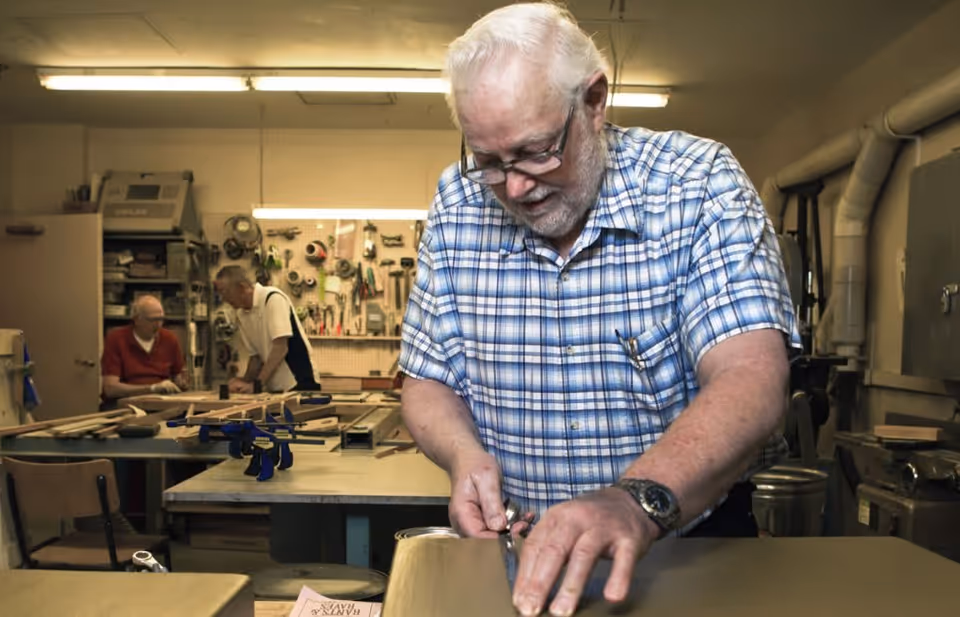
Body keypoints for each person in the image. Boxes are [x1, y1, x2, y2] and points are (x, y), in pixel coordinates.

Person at [398, 4, 801, 617]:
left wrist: (635, 500)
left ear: (593, 102)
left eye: (536, 151)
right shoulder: (456, 205)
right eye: (488, 162)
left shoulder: (698, 183)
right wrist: (462, 454)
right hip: (518, 555)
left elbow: (752, 376)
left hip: (687, 553)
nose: (515, 188)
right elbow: (427, 380)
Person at [214, 266, 321, 393]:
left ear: (242, 287)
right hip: (275, 387)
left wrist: (257, 385)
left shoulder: (272, 299)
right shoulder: (241, 313)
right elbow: (256, 357)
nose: (222, 299)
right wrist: (244, 382)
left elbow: (280, 348)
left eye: (225, 292)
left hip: (301, 382)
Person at [101, 295, 189, 401]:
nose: (158, 325)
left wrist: (182, 382)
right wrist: (152, 388)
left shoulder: (169, 339)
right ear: (137, 319)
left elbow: (179, 377)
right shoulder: (116, 339)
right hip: (126, 404)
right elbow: (110, 389)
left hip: (162, 402)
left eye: (161, 319)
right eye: (153, 320)